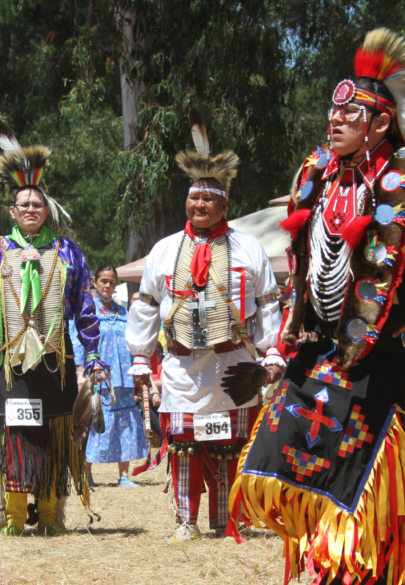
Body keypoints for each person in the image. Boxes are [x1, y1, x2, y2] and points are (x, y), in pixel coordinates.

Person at [229, 29, 405, 582]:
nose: (333, 123)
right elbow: (306, 271)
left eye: (349, 115)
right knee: (303, 481)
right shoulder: (317, 175)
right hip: (316, 360)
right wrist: (282, 345)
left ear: (381, 123)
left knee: (364, 497)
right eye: (332, 114)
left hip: (384, 363)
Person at [126, 109, 285, 542]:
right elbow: (145, 306)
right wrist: (141, 358)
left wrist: (272, 350)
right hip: (180, 367)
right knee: (182, 444)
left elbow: (270, 306)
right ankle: (185, 522)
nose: (199, 205)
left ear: (224, 205)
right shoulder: (164, 250)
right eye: (194, 198)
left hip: (234, 362)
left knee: (230, 442)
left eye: (208, 200)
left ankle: (229, 518)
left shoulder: (248, 248)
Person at [0, 121, 106, 536]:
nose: (30, 210)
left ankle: (49, 517)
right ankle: (10, 517)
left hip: (54, 363)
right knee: (12, 433)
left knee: (52, 434)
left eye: (38, 205)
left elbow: (84, 307)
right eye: (23, 205)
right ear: (12, 211)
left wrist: (93, 354)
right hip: (7, 363)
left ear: (48, 211)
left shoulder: (66, 252)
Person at [71, 266, 147, 487]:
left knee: (125, 423)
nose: (107, 285)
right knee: (93, 422)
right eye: (103, 281)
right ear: (94, 282)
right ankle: (86, 474)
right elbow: (77, 341)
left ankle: (124, 476)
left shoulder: (123, 312)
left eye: (112, 282)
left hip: (122, 377)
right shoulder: (86, 310)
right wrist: (79, 371)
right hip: (96, 376)